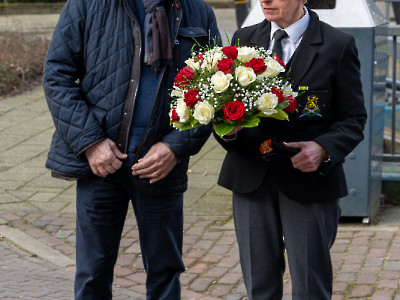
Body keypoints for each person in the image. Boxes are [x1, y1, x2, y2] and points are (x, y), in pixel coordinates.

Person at [43, 0, 220, 299]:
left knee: (165, 273)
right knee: (93, 275)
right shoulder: (87, 4)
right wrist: (90, 142)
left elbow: (216, 90)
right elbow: (57, 75)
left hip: (160, 166)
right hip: (101, 165)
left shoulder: (198, 11)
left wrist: (175, 148)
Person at [214, 0, 367, 299]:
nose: (265, 0)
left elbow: (354, 119)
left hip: (308, 183)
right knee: (259, 287)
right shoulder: (242, 41)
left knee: (310, 287)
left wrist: (323, 148)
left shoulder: (338, 45)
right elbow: (222, 113)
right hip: (250, 179)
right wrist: (228, 133)